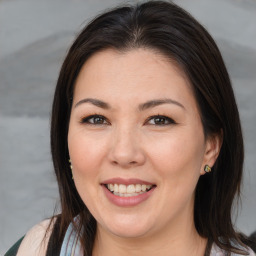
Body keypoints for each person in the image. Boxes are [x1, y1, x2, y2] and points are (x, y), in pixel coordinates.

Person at [4, 1, 255, 255]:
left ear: (210, 147)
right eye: (96, 119)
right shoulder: (35, 248)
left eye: (159, 120)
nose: (123, 154)